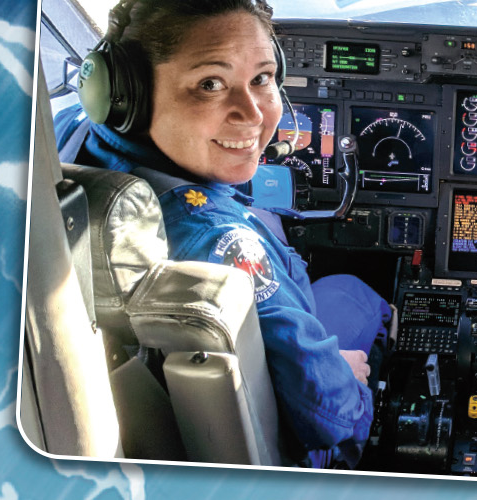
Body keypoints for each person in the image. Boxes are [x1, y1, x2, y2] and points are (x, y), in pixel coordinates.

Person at [53, 0, 388, 468]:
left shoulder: (65, 130)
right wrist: (348, 382)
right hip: (271, 449)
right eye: (210, 84)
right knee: (358, 294)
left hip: (154, 420)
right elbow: (327, 414)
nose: (251, 114)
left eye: (263, 78)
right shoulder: (217, 240)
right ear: (128, 93)